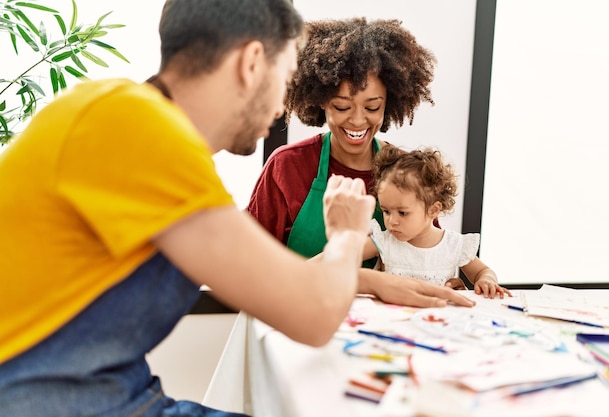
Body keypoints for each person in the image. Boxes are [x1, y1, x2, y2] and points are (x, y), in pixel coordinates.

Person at [0, 1, 381, 416]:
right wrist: (347, 233)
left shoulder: (129, 120)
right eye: (284, 79)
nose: (279, 108)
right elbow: (315, 313)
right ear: (252, 63)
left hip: (108, 389)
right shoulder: (136, 126)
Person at [247, 17, 476, 308]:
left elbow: (428, 245)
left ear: (389, 102)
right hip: (298, 313)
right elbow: (252, 268)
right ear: (320, 101)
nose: (357, 120)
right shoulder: (287, 167)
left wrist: (443, 276)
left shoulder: (407, 172)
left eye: (372, 107)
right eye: (342, 106)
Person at [365, 145, 512, 299]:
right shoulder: (383, 241)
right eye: (386, 211)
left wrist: (486, 280)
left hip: (437, 319)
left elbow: (482, 271)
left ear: (433, 210)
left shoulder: (453, 245)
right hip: (394, 318)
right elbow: (344, 255)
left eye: (402, 213)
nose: (391, 221)